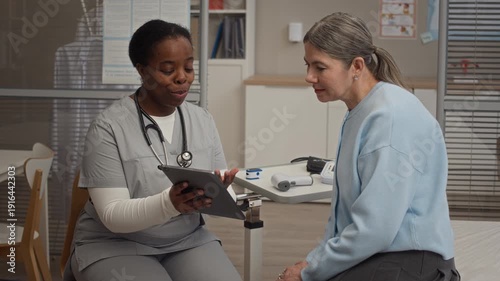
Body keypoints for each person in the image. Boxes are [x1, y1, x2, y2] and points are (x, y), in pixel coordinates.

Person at [277, 12, 460, 281]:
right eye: (307, 65)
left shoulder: (389, 118)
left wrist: (310, 273)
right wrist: (314, 261)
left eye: (320, 67)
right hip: (383, 253)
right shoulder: (361, 111)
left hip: (415, 261)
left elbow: (376, 228)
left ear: (357, 66)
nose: (309, 77)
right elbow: (344, 215)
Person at [63, 19, 242, 281]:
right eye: (168, 69)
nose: (183, 77)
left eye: (189, 67)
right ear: (143, 71)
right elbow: (112, 215)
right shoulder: (108, 127)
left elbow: (222, 183)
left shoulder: (202, 120)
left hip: (187, 240)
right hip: (115, 245)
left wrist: (223, 193)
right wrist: (169, 204)